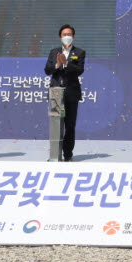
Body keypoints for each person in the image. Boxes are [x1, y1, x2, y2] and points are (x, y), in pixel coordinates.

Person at [44, 24, 85, 162]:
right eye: (64, 34)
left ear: (73, 36)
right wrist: (57, 64)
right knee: (56, 124)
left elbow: (79, 70)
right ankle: (55, 154)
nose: (66, 37)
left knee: (70, 125)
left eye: (69, 34)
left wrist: (66, 64)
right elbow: (47, 70)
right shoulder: (53, 51)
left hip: (71, 93)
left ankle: (68, 154)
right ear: (60, 37)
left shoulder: (79, 52)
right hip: (55, 92)